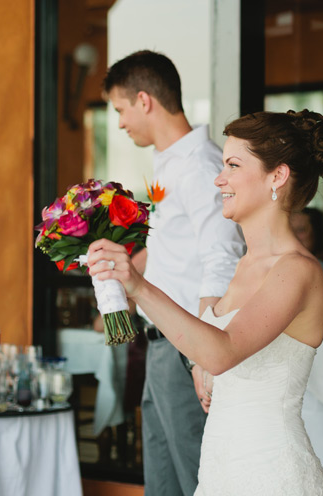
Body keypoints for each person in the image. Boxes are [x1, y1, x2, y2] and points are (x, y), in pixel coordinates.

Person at [87, 109, 323, 495]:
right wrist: (198, 360)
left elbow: (224, 351)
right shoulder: (246, 264)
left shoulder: (297, 270)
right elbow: (216, 347)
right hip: (221, 468)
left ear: (277, 176)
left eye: (232, 165)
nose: (219, 179)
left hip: (270, 473)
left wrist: (138, 286)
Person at [102, 50, 245, 496]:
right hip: (163, 344)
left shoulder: (201, 166)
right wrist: (114, 276)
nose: (121, 123)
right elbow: (170, 250)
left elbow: (223, 255)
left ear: (144, 100)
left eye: (121, 109)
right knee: (164, 483)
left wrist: (205, 352)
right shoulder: (171, 166)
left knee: (195, 479)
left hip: (187, 347)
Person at [290, 207, 323, 311]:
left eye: (300, 230)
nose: (294, 236)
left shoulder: (319, 270)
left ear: (317, 233)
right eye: (290, 231)